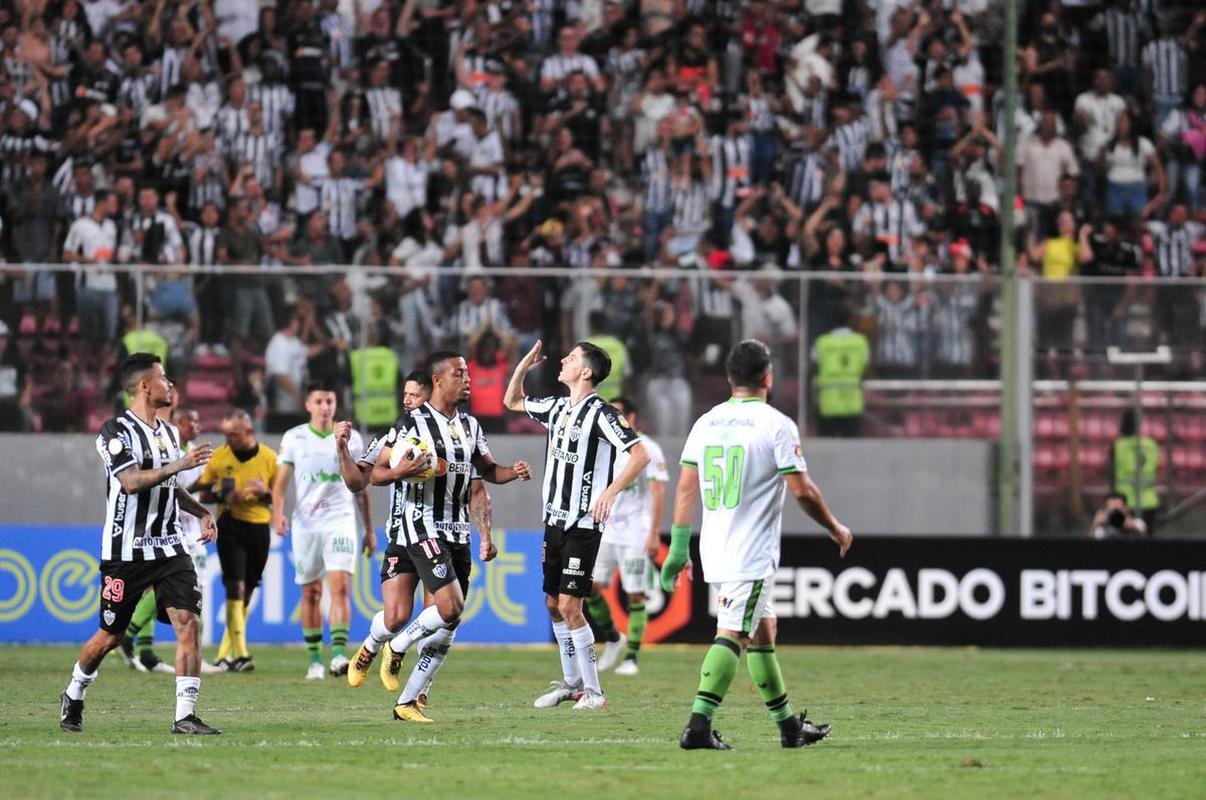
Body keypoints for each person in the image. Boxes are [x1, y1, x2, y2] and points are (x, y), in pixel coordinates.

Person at [660, 339, 853, 751]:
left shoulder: (706, 421)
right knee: (732, 634)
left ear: (729, 378)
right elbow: (802, 491)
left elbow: (685, 489)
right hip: (750, 553)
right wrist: (834, 527)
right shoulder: (775, 424)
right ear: (769, 377)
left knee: (764, 631)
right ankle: (698, 725)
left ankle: (789, 728)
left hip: (716, 547)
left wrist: (679, 549)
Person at [347, 351, 531, 723]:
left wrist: (513, 471)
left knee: (448, 622)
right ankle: (392, 646)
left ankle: (408, 701)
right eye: (460, 373)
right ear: (438, 380)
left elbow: (487, 472)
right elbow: (375, 476)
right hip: (419, 526)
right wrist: (404, 469)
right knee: (447, 608)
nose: (467, 379)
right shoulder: (409, 425)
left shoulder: (471, 426)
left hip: (457, 531)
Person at [59, 353, 220, 735]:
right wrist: (179, 465)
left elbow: (168, 485)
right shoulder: (115, 432)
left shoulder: (168, 432)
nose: (171, 385)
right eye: (164, 378)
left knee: (187, 623)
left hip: (169, 546)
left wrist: (199, 510)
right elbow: (131, 482)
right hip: (125, 551)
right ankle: (75, 692)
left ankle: (184, 715)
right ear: (145, 386)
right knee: (110, 636)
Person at [503, 340, 651, 710]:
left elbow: (640, 453)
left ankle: (595, 693)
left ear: (585, 372)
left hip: (582, 523)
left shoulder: (601, 413)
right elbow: (511, 402)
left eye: (571, 358)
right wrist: (523, 367)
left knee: (571, 606)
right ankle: (571, 683)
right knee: (553, 604)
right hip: (552, 519)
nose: (563, 360)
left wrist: (612, 491)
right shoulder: (556, 407)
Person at [271, 382, 375, 680]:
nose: (325, 407)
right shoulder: (294, 438)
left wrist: (368, 528)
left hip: (340, 520)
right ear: (308, 405)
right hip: (305, 524)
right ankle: (315, 659)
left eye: (329, 400)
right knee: (311, 591)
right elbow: (279, 485)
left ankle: (340, 654)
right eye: (319, 401)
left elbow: (360, 487)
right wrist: (277, 514)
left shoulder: (351, 438)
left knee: (340, 586)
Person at [117, 403, 219, 675]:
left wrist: (213, 497)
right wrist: (202, 485)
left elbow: (193, 494)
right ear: (179, 423)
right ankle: (130, 634)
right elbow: (173, 488)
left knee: (155, 587)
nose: (196, 427)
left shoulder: (189, 450)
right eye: (192, 421)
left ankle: (145, 649)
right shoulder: (172, 449)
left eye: (199, 422)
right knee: (189, 589)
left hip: (190, 528)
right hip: (177, 532)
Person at [585, 396, 668, 676]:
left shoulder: (648, 448)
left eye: (618, 414)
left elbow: (658, 492)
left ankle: (631, 657)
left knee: (635, 594)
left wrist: (654, 533)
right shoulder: (604, 446)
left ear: (631, 419)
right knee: (589, 587)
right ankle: (612, 637)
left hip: (635, 533)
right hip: (606, 531)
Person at [197, 409, 278, 672]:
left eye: (234, 434)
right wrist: (222, 495)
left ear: (249, 432)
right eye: (226, 434)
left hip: (259, 529)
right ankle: (242, 653)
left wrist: (264, 492)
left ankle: (223, 654)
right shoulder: (219, 457)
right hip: (230, 526)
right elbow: (203, 494)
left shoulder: (268, 458)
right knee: (236, 588)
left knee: (249, 589)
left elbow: (279, 497)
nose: (228, 439)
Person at [813, 305, 871, 437]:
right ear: (851, 320)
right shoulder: (860, 341)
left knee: (828, 448)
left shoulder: (822, 342)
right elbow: (865, 363)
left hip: (828, 401)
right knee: (851, 449)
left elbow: (815, 363)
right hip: (852, 400)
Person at [1111, 409, 1160, 533]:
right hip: (1149, 502)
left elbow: (1109, 474)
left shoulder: (1118, 446)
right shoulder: (1152, 445)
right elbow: (1155, 469)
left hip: (1123, 504)